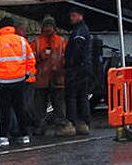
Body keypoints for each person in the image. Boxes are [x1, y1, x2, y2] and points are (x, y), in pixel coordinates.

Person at [0, 17, 35, 145]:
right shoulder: (22, 41)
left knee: (4, 110)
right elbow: (31, 60)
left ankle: (3, 137)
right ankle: (24, 135)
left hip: (2, 82)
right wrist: (27, 74)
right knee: (20, 109)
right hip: (20, 80)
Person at [60, 7, 93, 137]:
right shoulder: (83, 30)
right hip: (83, 68)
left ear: (80, 16)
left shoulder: (79, 32)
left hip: (76, 69)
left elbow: (76, 51)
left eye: (73, 16)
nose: (71, 18)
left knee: (72, 96)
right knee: (83, 96)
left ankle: (72, 123)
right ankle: (84, 122)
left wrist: (69, 63)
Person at [30, 16, 66, 135]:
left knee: (41, 105)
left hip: (43, 78)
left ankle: (41, 126)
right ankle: (60, 126)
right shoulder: (61, 41)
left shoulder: (37, 42)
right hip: (56, 77)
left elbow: (31, 59)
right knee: (58, 104)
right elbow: (66, 58)